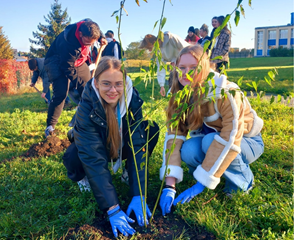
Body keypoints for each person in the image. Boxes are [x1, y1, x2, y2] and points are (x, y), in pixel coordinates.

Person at [159, 45, 264, 216]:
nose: (186, 73)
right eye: (182, 68)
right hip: (214, 141)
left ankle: (244, 180)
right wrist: (170, 185)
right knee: (188, 150)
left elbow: (231, 137)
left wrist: (202, 183)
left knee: (209, 142)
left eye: (194, 68)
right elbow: (174, 136)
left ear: (206, 69)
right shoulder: (179, 94)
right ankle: (216, 172)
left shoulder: (225, 91)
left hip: (247, 141)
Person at [62, 56, 159, 238]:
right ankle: (85, 179)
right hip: (99, 146)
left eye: (118, 84)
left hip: (121, 145)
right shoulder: (86, 107)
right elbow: (92, 156)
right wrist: (112, 208)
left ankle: (127, 173)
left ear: (125, 83)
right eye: (106, 84)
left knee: (150, 130)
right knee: (73, 154)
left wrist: (139, 193)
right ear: (96, 83)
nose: (113, 90)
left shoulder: (132, 99)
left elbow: (138, 144)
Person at [44, 20, 107, 137]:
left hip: (78, 61)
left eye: (91, 44)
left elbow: (95, 29)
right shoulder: (68, 43)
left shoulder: (87, 25)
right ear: (81, 34)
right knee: (61, 93)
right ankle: (50, 127)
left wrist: (101, 38)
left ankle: (91, 122)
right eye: (87, 43)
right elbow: (68, 68)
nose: (88, 46)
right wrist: (80, 84)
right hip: (56, 62)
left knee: (89, 89)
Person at [139, 32, 190, 97]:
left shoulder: (171, 38)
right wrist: (162, 85)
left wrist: (177, 61)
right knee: (173, 85)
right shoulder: (158, 52)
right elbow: (160, 68)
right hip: (177, 68)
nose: (149, 50)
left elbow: (187, 49)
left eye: (149, 48)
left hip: (189, 64)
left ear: (154, 42)